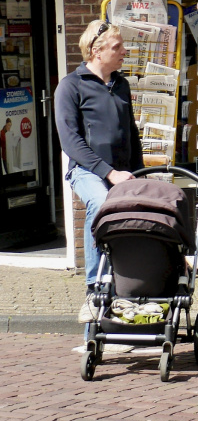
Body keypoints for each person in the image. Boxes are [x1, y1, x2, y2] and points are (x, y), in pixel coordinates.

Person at [54, 20, 143, 318]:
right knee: (101, 202)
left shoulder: (122, 84)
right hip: (87, 171)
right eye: (117, 47)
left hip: (122, 171)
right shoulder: (70, 86)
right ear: (96, 50)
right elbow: (71, 142)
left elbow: (131, 133)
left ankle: (128, 291)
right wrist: (108, 173)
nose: (124, 52)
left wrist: (140, 175)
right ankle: (94, 288)